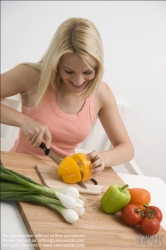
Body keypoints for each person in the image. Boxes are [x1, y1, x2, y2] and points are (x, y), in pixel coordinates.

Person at [1, 17, 134, 176]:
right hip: (16, 172)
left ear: (98, 67)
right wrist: (23, 120)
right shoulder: (31, 76)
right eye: (69, 71)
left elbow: (126, 148)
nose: (79, 82)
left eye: (88, 72)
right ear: (56, 63)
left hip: (63, 178)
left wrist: (103, 158)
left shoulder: (101, 93)